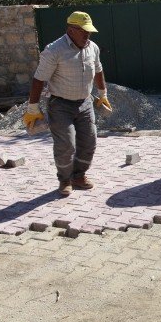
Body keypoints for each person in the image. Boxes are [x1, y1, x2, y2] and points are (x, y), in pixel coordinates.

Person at [22, 11, 112, 196]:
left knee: (89, 142)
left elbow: (99, 70)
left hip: (85, 103)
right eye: (83, 31)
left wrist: (102, 94)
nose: (88, 35)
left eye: (89, 32)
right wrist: (32, 108)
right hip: (60, 105)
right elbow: (39, 79)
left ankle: (79, 176)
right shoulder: (54, 50)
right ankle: (64, 180)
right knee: (66, 145)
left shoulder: (92, 47)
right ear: (71, 30)